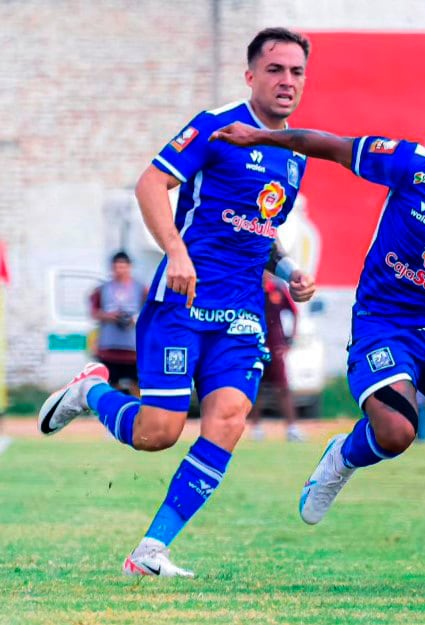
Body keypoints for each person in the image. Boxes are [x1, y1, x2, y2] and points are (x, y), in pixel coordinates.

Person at [210, 97, 425, 588]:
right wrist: (260, 136)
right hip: (384, 323)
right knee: (397, 433)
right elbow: (332, 147)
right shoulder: (416, 168)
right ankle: (342, 457)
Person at [37, 28, 317, 578]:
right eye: (276, 70)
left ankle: (151, 551)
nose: (287, 81)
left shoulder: (295, 155)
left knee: (229, 419)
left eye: (297, 72)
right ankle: (90, 392)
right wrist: (176, 250)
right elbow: (149, 184)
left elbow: (260, 233)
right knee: (157, 434)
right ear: (251, 76)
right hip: (182, 303)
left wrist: (287, 272)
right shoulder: (215, 124)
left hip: (240, 315)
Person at [248, 275, 306, 442]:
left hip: (275, 347)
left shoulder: (278, 289)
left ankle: (292, 429)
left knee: (283, 387)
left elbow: (294, 312)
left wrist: (291, 338)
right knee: (255, 387)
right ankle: (256, 428)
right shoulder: (251, 286)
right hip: (255, 345)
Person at [90, 251, 147, 394]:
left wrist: (135, 319)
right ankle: (111, 412)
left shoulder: (142, 289)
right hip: (109, 347)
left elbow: (151, 313)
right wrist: (110, 316)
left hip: (133, 348)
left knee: (138, 384)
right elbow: (94, 313)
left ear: (130, 267)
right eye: (116, 267)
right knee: (110, 385)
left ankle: (139, 413)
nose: (120, 270)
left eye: (123, 267)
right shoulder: (102, 290)